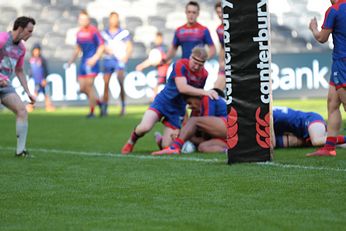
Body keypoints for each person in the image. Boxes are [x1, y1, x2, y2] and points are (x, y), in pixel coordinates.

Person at [121, 47, 218, 154]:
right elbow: (182, 88)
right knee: (144, 128)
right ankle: (131, 141)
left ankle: (159, 139)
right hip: (163, 102)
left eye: (200, 65)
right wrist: (205, 92)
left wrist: (192, 108)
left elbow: (194, 95)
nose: (196, 66)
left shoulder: (204, 74)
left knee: (167, 146)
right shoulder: (180, 64)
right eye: (195, 62)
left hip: (178, 110)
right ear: (190, 58)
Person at [307, 0, 346, 156]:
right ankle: (329, 148)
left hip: (342, 63)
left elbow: (322, 38)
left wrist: (314, 28)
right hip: (340, 62)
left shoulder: (334, 10)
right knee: (332, 103)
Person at [0, 16, 36, 157]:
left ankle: (20, 151)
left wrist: (28, 92)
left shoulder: (21, 48)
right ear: (20, 29)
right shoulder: (2, 39)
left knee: (22, 110)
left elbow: (19, 70)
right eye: (29, 30)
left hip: (5, 86)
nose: (31, 34)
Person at [152, 89, 227, 155]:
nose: (190, 106)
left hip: (229, 125)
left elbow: (203, 128)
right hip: (225, 137)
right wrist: (181, 135)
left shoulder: (207, 98)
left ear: (197, 97)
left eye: (190, 102)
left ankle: (175, 147)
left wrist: (182, 135)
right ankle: (229, 150)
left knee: (193, 122)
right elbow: (190, 129)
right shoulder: (196, 109)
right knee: (202, 147)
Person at [67, 10, 104, 118]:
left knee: (89, 86)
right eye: (81, 19)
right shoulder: (79, 33)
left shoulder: (94, 31)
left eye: (85, 19)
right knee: (83, 88)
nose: (83, 21)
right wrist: (71, 61)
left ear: (88, 19)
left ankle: (92, 112)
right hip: (83, 63)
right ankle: (99, 103)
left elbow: (101, 46)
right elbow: (78, 49)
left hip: (92, 63)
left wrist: (94, 58)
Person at [101, 12, 132, 116]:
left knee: (120, 82)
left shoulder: (123, 33)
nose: (114, 21)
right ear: (109, 19)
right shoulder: (104, 33)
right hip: (108, 60)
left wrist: (126, 56)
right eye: (112, 18)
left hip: (119, 60)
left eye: (116, 18)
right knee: (106, 83)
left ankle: (123, 106)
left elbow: (129, 46)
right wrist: (105, 50)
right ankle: (105, 107)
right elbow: (101, 46)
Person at [272, 106, 346, 148]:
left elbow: (272, 144)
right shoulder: (268, 111)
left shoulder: (267, 116)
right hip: (301, 130)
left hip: (310, 120)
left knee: (317, 141)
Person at [136, 32, 170, 101]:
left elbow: (169, 59)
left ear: (161, 38)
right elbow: (151, 60)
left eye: (158, 39)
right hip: (160, 69)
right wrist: (142, 65)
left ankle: (154, 98)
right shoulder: (156, 49)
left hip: (166, 69)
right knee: (160, 84)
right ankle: (154, 98)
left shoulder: (164, 48)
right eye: (156, 39)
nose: (157, 40)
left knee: (161, 84)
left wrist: (162, 61)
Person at [26, 43, 55, 112]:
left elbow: (45, 70)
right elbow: (31, 70)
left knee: (46, 94)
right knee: (35, 93)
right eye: (35, 50)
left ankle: (48, 106)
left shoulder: (42, 59)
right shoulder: (31, 60)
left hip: (42, 80)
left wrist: (44, 79)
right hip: (36, 81)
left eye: (38, 50)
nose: (36, 52)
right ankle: (30, 106)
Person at [214, 1, 226, 91]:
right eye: (218, 12)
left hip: (238, 63)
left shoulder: (235, 26)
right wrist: (220, 62)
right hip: (226, 64)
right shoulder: (219, 29)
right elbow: (222, 47)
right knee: (217, 88)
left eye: (222, 12)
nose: (220, 15)